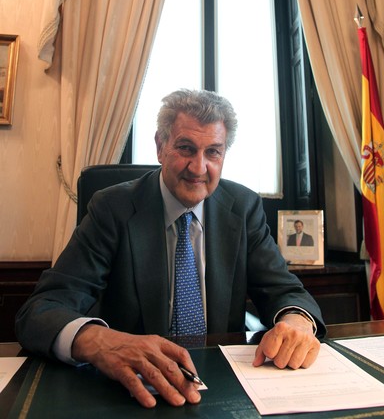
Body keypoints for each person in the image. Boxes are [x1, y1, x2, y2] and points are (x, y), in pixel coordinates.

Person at [16, 89, 325, 409]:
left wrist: (296, 322)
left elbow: (285, 290)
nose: (199, 167)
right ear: (160, 147)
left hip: (224, 385)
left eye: (213, 152)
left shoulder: (243, 207)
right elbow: (41, 310)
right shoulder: (113, 208)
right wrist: (100, 342)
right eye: (185, 148)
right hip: (130, 390)